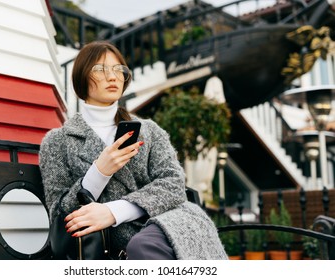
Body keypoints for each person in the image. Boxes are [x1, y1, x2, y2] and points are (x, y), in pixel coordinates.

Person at [39, 41, 227, 260]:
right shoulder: (57, 142)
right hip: (109, 247)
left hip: (168, 225)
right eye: (101, 69)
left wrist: (113, 212)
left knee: (143, 246)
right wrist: (98, 173)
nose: (113, 77)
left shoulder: (149, 130)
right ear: (81, 76)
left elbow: (174, 183)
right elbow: (59, 214)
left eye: (119, 69)